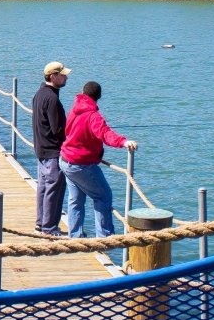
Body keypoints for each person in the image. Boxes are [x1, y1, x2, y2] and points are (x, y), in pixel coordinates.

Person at [60, 81, 139, 241]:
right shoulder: (94, 116)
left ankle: (75, 237)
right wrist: (123, 142)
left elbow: (68, 130)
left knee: (75, 199)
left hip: (65, 160)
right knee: (103, 196)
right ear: (99, 97)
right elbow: (105, 134)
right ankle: (105, 238)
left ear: (83, 92)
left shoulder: (74, 110)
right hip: (81, 165)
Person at [32, 61, 70, 236]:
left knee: (43, 187)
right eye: (62, 75)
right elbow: (58, 129)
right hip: (52, 150)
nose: (66, 77)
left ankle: (41, 223)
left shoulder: (39, 94)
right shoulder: (52, 99)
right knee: (53, 188)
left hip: (41, 148)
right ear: (53, 77)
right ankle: (50, 228)